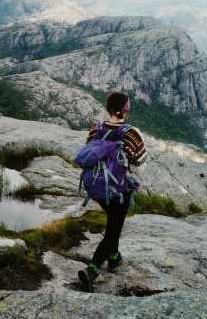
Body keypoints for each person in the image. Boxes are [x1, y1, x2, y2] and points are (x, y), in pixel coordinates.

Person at [77, 92, 147, 292]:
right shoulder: (131, 133)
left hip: (96, 188)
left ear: (108, 108)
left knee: (113, 221)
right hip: (118, 189)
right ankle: (92, 269)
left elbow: (89, 152)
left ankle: (114, 258)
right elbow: (140, 166)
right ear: (125, 109)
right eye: (128, 105)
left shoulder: (95, 129)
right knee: (113, 231)